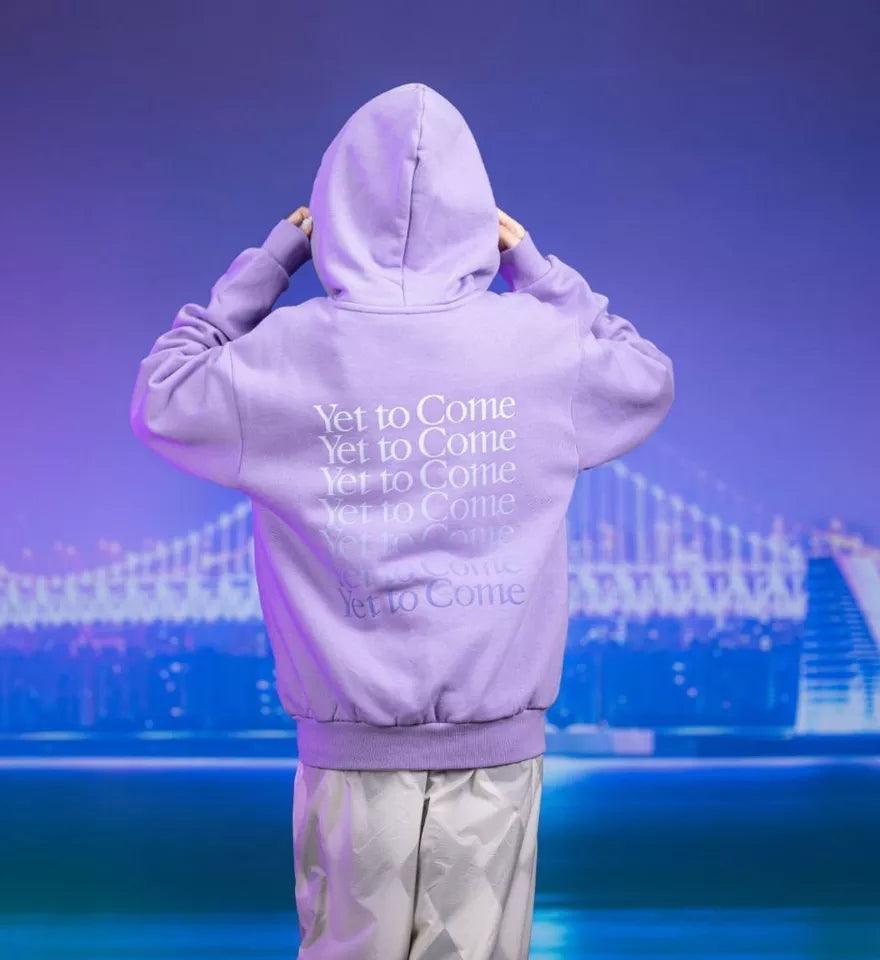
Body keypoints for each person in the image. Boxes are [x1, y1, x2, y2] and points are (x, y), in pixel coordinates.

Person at [129, 81, 674, 959]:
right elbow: (645, 377)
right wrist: (535, 269)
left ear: (333, 209)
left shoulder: (285, 355)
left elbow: (162, 397)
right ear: (478, 214)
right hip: (499, 754)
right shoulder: (539, 347)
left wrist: (271, 262)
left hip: (347, 759)